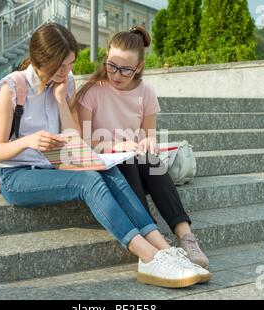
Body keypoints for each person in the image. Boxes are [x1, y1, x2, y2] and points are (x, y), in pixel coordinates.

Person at [0, 22, 210, 288]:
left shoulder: (65, 83)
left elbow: (73, 136)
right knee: (87, 181)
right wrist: (29, 141)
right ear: (42, 60)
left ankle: (166, 250)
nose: (68, 71)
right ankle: (149, 257)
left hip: (53, 166)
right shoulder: (12, 88)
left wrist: (61, 101)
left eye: (71, 64)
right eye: (62, 65)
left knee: (109, 169)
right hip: (17, 176)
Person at [74, 25, 209, 268]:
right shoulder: (92, 91)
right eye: (112, 66)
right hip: (107, 164)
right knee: (128, 160)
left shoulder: (146, 92)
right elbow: (83, 142)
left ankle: (186, 236)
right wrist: (117, 144)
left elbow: (149, 136)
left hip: (139, 162)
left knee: (150, 160)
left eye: (125, 70)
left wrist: (147, 141)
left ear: (139, 67)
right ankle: (154, 242)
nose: (116, 75)